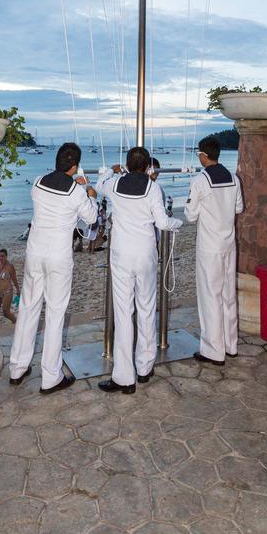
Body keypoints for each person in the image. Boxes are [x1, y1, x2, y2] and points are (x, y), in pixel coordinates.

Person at [9, 142, 97, 394]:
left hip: (35, 253)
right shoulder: (76, 192)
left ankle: (17, 367)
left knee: (28, 308)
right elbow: (91, 218)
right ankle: (50, 376)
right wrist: (89, 190)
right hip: (58, 256)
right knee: (56, 314)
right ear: (75, 166)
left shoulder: (37, 183)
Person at [96, 147, 182, 394]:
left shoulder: (114, 184)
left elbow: (99, 184)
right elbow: (163, 223)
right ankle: (145, 367)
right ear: (147, 167)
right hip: (145, 253)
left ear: (126, 164)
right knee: (146, 308)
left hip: (122, 254)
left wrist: (108, 172)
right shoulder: (153, 188)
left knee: (124, 313)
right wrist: (178, 223)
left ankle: (124, 376)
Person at [185, 136, 244, 365]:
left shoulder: (200, 180)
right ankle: (231, 345)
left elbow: (190, 215)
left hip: (210, 246)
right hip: (229, 243)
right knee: (228, 295)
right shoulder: (233, 178)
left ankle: (213, 350)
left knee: (210, 295)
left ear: (203, 155)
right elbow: (238, 207)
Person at [0, 249, 20, 326]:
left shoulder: (10, 266)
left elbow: (14, 278)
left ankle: (17, 323)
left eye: (2, 256)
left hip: (7, 292)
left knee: (6, 312)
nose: (1, 258)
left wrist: (18, 289)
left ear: (6, 256)